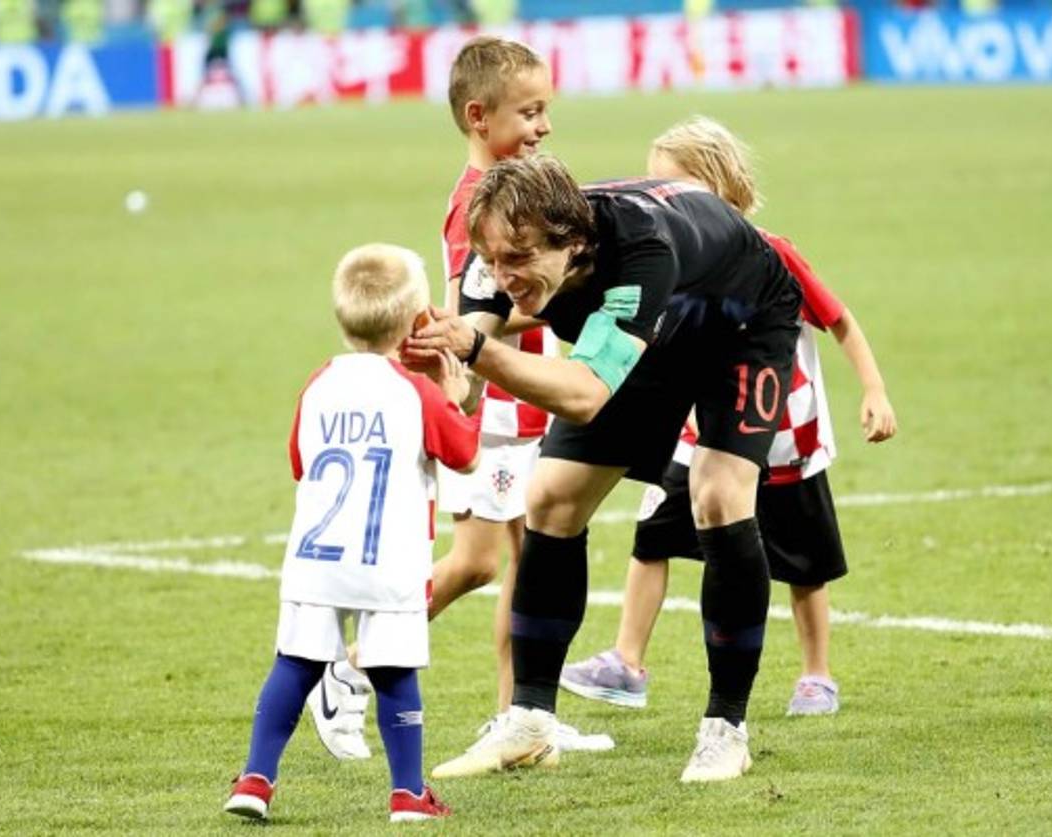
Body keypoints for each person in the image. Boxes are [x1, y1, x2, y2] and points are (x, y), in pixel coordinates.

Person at [405, 153, 802, 783]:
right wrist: (447, 370)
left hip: (743, 321)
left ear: (576, 242)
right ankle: (530, 724)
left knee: (718, 495)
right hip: (651, 329)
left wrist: (474, 349)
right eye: (497, 261)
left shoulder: (640, 250)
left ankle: (726, 728)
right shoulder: (500, 253)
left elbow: (585, 393)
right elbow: (470, 372)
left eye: (522, 259)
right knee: (552, 498)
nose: (506, 277)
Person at [305, 35, 611, 764]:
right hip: (496, 405)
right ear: (480, 116)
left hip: (524, 394)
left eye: (545, 111)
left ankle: (522, 715)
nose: (543, 127)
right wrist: (578, 298)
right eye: (529, 112)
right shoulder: (475, 204)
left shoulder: (517, 190)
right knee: (477, 561)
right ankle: (343, 671)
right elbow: (481, 307)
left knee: (528, 554)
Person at [559, 116, 898, 717]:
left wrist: (873, 389)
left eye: (676, 185)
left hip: (782, 434)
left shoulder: (771, 253)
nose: (662, 201)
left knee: (802, 561)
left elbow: (839, 320)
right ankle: (626, 661)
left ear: (718, 184)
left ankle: (816, 674)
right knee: (652, 539)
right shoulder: (665, 257)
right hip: (699, 434)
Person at [223, 244, 479, 823]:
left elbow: (298, 460)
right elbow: (462, 454)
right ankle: (408, 793)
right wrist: (455, 400)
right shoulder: (416, 392)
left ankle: (257, 779)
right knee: (392, 672)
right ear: (418, 322)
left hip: (316, 557)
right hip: (388, 559)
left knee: (294, 663)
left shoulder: (320, 383)